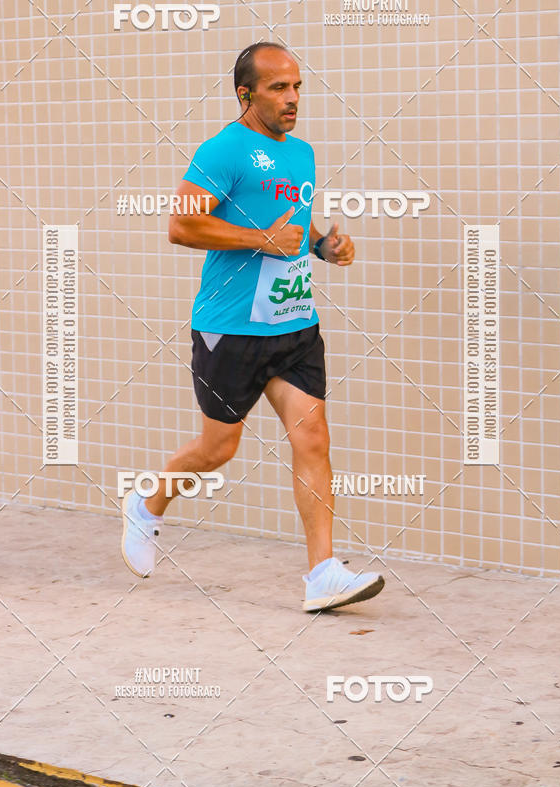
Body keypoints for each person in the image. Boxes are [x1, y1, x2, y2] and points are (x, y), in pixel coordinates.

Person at [121, 42, 385, 612]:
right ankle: (147, 503)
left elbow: (297, 216)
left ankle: (322, 575)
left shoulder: (302, 153)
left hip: (293, 324)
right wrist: (261, 241)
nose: (293, 99)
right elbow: (181, 227)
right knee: (218, 450)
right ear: (246, 94)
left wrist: (324, 244)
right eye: (278, 89)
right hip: (231, 328)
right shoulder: (222, 151)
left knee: (313, 437)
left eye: (296, 87)